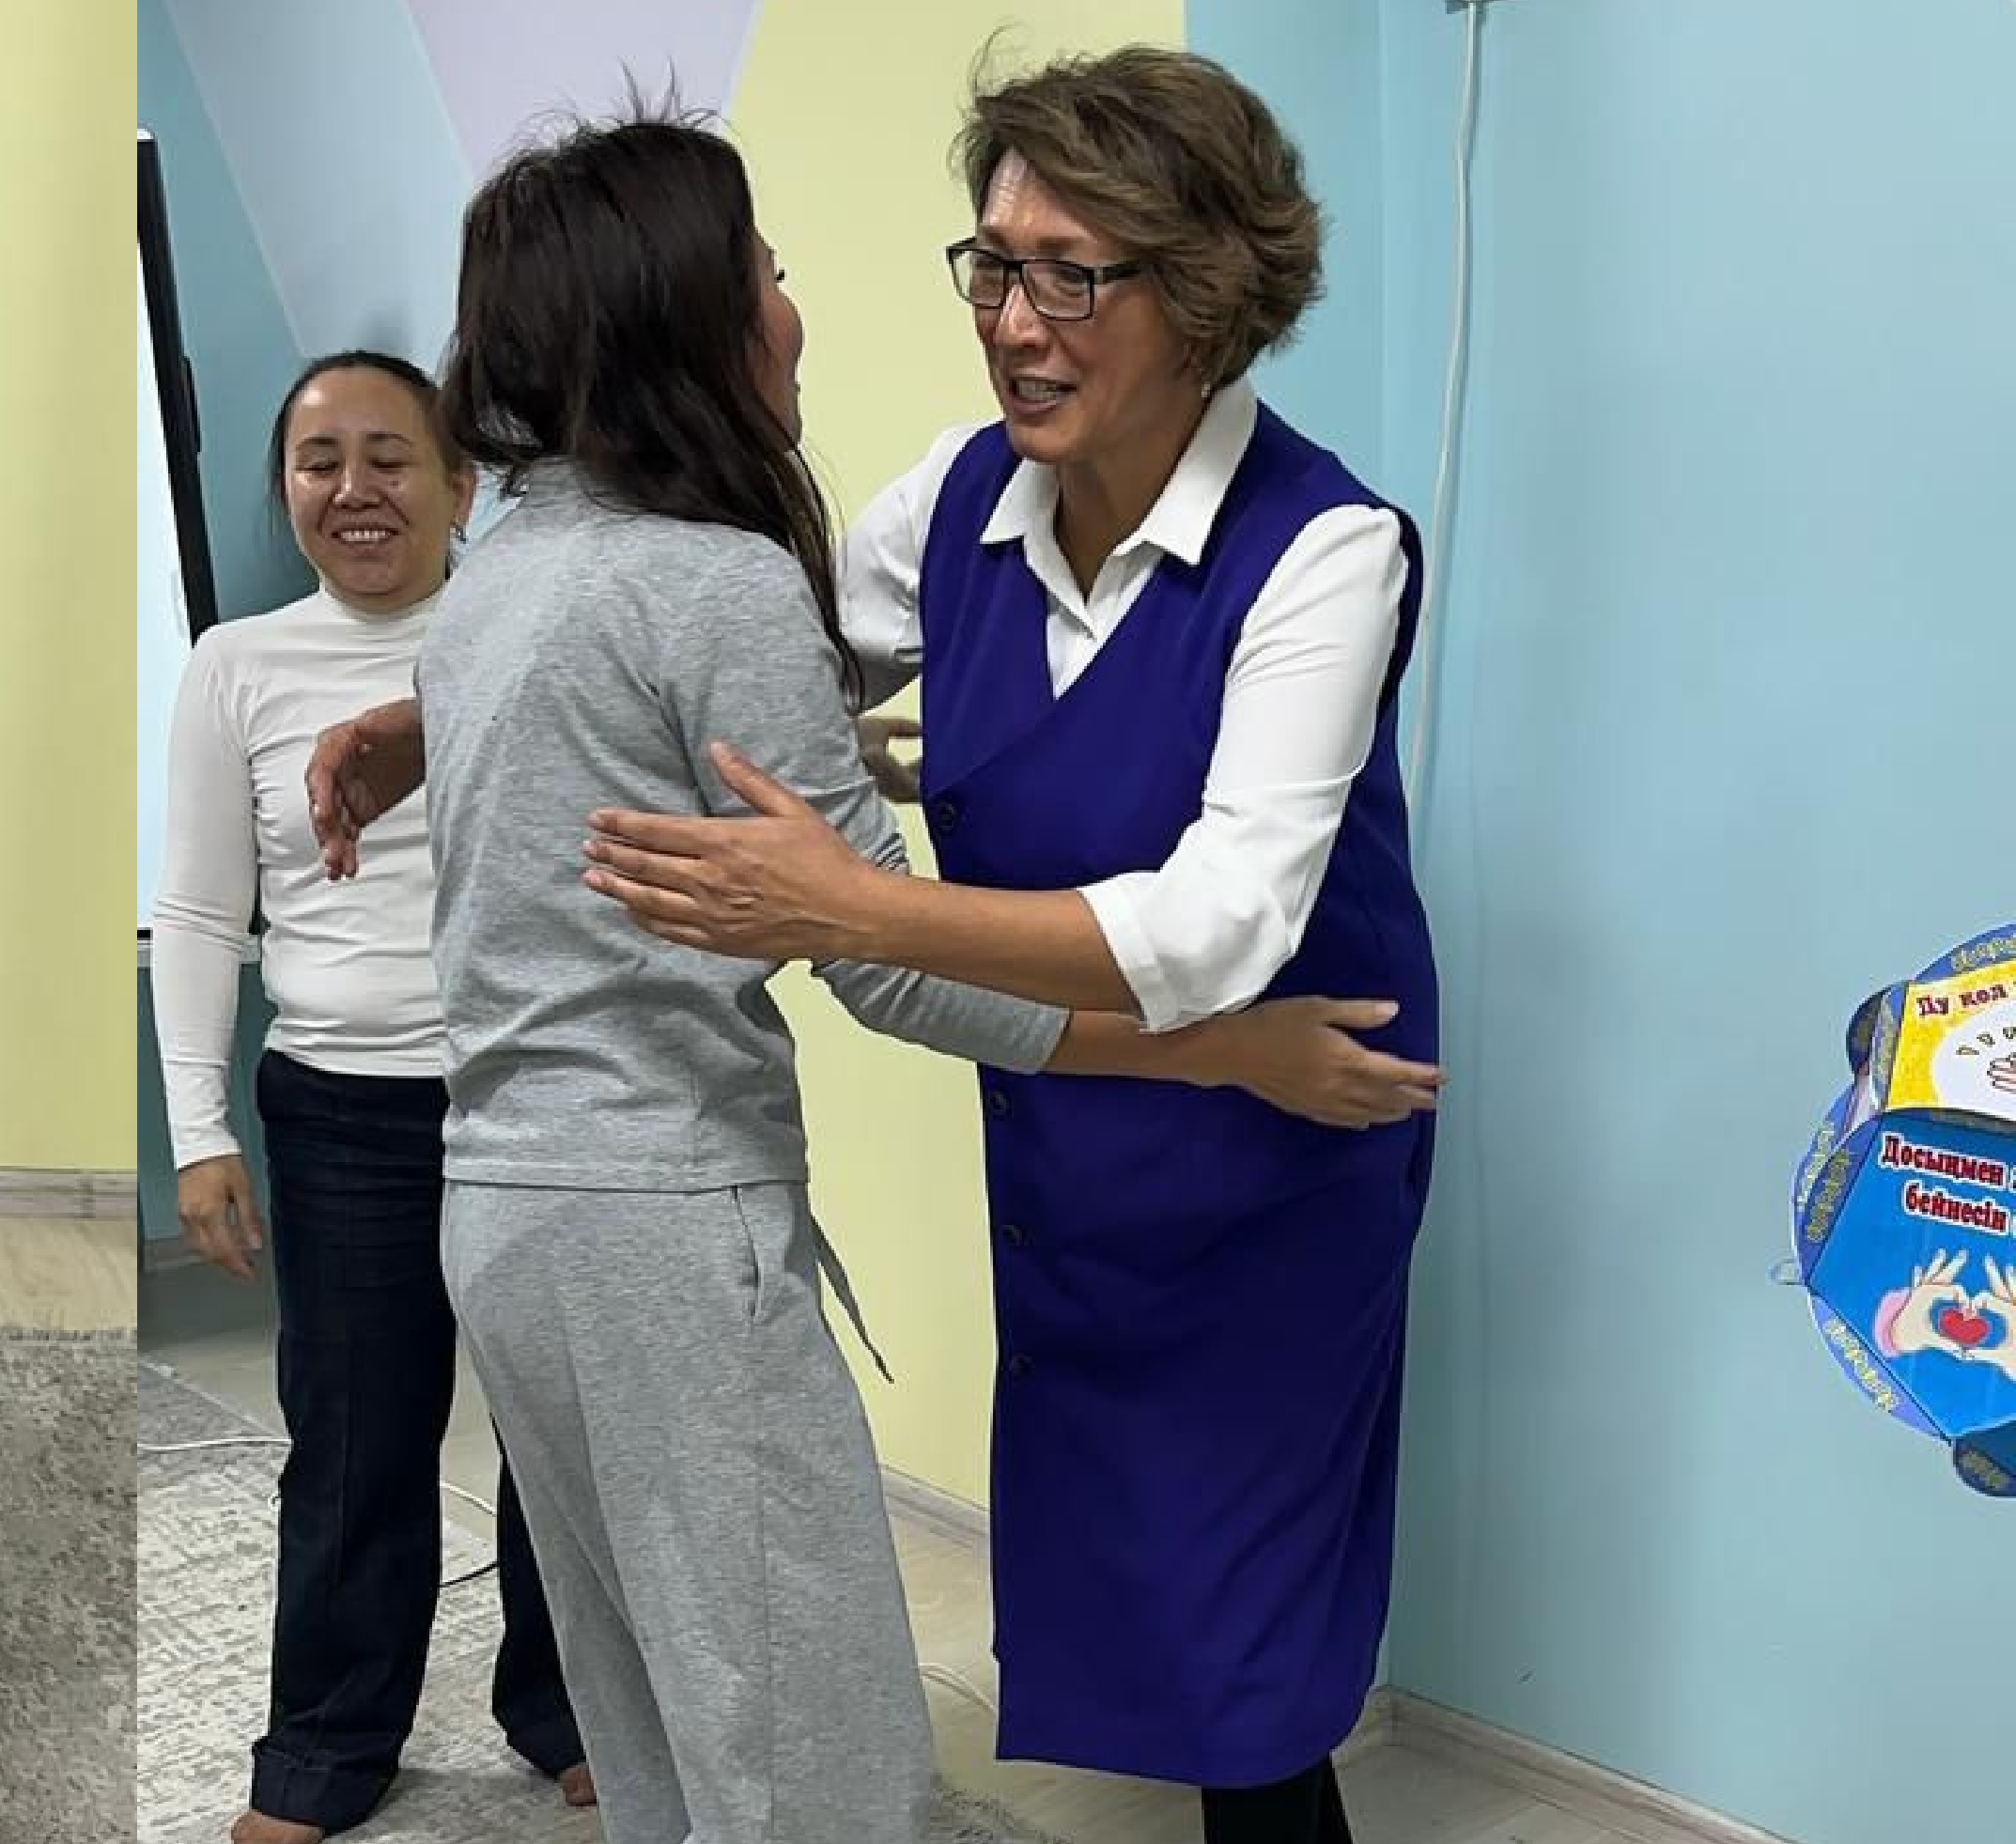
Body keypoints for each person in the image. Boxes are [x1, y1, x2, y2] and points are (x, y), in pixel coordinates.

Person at [314, 112, 1438, 1844]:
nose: (1011, 318)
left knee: (1241, 1624)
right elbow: (741, 669)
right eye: (994, 266)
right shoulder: (952, 498)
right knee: (819, 1692)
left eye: (1070, 275)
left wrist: (852, 903)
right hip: (1048, 1117)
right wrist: (444, 717)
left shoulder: (1326, 547)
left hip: (1282, 1105)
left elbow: (1221, 924)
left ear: (1207, 296)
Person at [153, 352, 588, 1841]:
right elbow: (200, 912)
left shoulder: (532, 641)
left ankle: (569, 1705)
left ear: (463, 485)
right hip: (341, 1111)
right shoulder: (238, 665)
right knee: (352, 1444)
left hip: (535, 1093)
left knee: (562, 1431)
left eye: (391, 457)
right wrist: (200, 1132)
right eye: (319, 459)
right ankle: (327, 1749)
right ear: (285, 489)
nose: (355, 489)